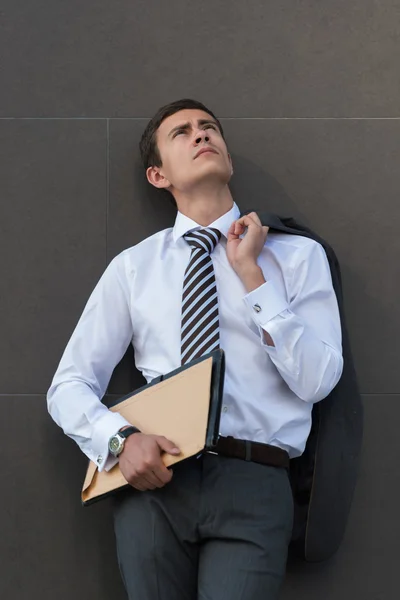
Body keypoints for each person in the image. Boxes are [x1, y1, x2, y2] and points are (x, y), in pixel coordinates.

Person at [47, 98, 343, 600]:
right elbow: (69, 386)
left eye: (209, 128)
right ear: (158, 175)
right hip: (155, 487)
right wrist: (120, 441)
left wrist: (254, 277)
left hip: (257, 478)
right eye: (182, 132)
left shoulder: (295, 256)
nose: (202, 135)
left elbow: (317, 381)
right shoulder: (134, 267)